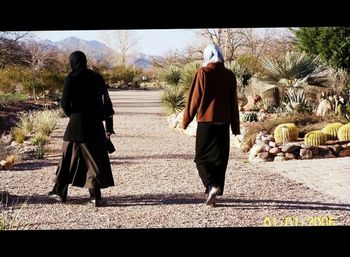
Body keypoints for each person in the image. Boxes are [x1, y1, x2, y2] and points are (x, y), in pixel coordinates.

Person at [48, 51, 115, 207]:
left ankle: (59, 192)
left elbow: (64, 104)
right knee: (94, 162)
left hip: (75, 127)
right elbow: (107, 103)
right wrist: (109, 127)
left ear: (72, 62)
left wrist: (74, 115)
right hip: (95, 127)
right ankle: (95, 197)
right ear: (85, 61)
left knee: (67, 160)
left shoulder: (71, 78)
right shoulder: (97, 78)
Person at [182, 43, 240, 207]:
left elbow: (194, 99)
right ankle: (214, 190)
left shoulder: (203, 72)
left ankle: (211, 185)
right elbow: (233, 102)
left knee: (201, 158)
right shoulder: (229, 75)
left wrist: (186, 120)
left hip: (206, 122)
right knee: (220, 159)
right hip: (224, 123)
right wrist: (235, 127)